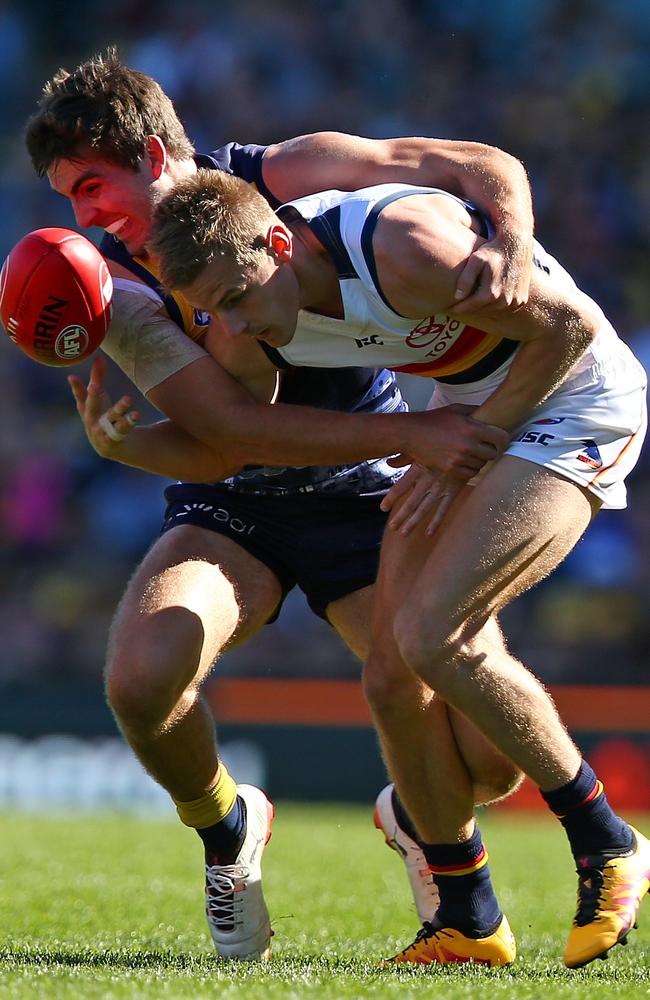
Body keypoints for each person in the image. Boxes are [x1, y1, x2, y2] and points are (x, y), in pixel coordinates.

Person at [25, 50, 534, 962]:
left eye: (93, 186)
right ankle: (228, 833)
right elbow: (233, 434)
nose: (85, 216)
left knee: (489, 760)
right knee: (142, 680)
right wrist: (127, 445)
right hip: (240, 502)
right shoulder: (115, 280)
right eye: (70, 199)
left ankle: (417, 817)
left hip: (365, 490)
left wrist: (512, 242)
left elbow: (476, 165)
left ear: (152, 153)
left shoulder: (284, 173)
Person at [148, 168, 649, 970]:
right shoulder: (252, 312)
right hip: (459, 427)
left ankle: (607, 841)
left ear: (278, 242)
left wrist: (462, 438)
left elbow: (574, 329)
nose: (235, 323)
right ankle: (467, 919)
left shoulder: (404, 251)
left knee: (433, 635)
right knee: (392, 677)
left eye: (240, 295)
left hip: (572, 405)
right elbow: (234, 434)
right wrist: (119, 438)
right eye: (216, 308)